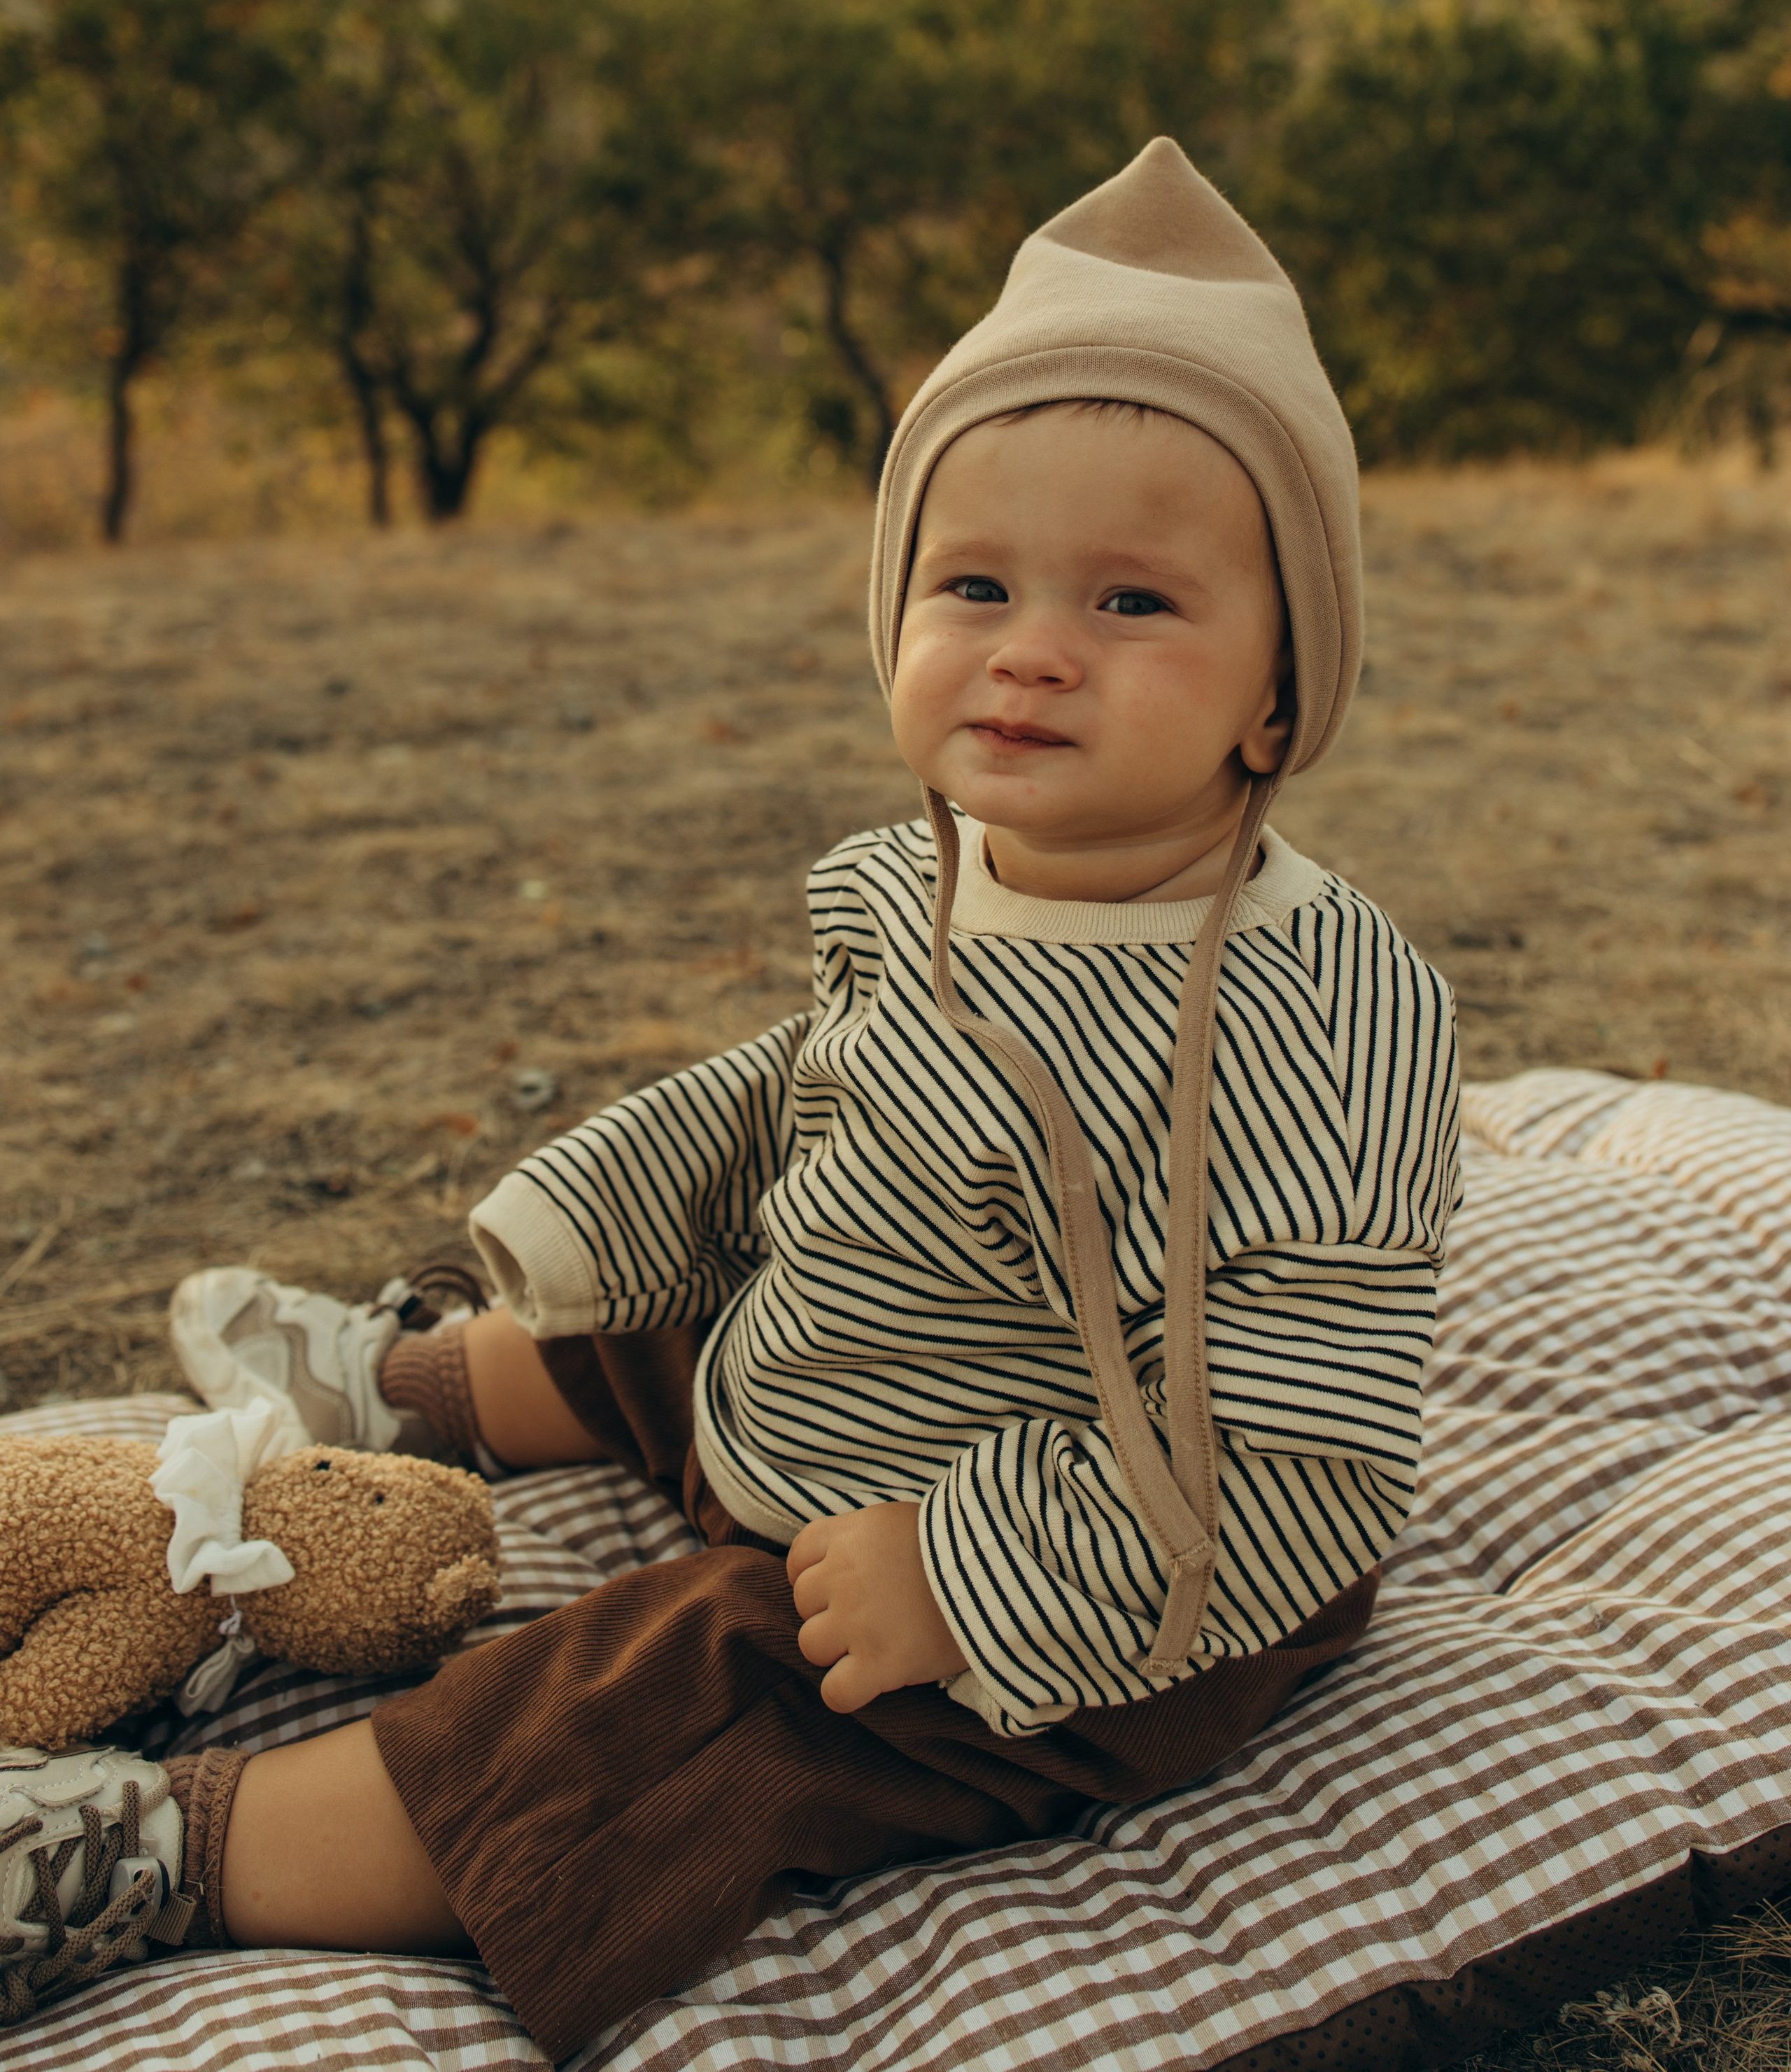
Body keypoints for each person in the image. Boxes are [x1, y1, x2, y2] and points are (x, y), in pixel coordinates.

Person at [2, 139, 1459, 2055]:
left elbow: (1300, 1451)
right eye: (978, 580)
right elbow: (807, 1099)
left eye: (1132, 605)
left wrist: (965, 1576)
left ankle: (155, 1854)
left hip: (1119, 1582)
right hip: (859, 1384)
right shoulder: (936, 879)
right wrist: (608, 1211)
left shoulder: (1312, 1014)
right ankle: (415, 1388)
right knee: (699, 1295)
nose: (1030, 646)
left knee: (684, 1690)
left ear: (1282, 692)